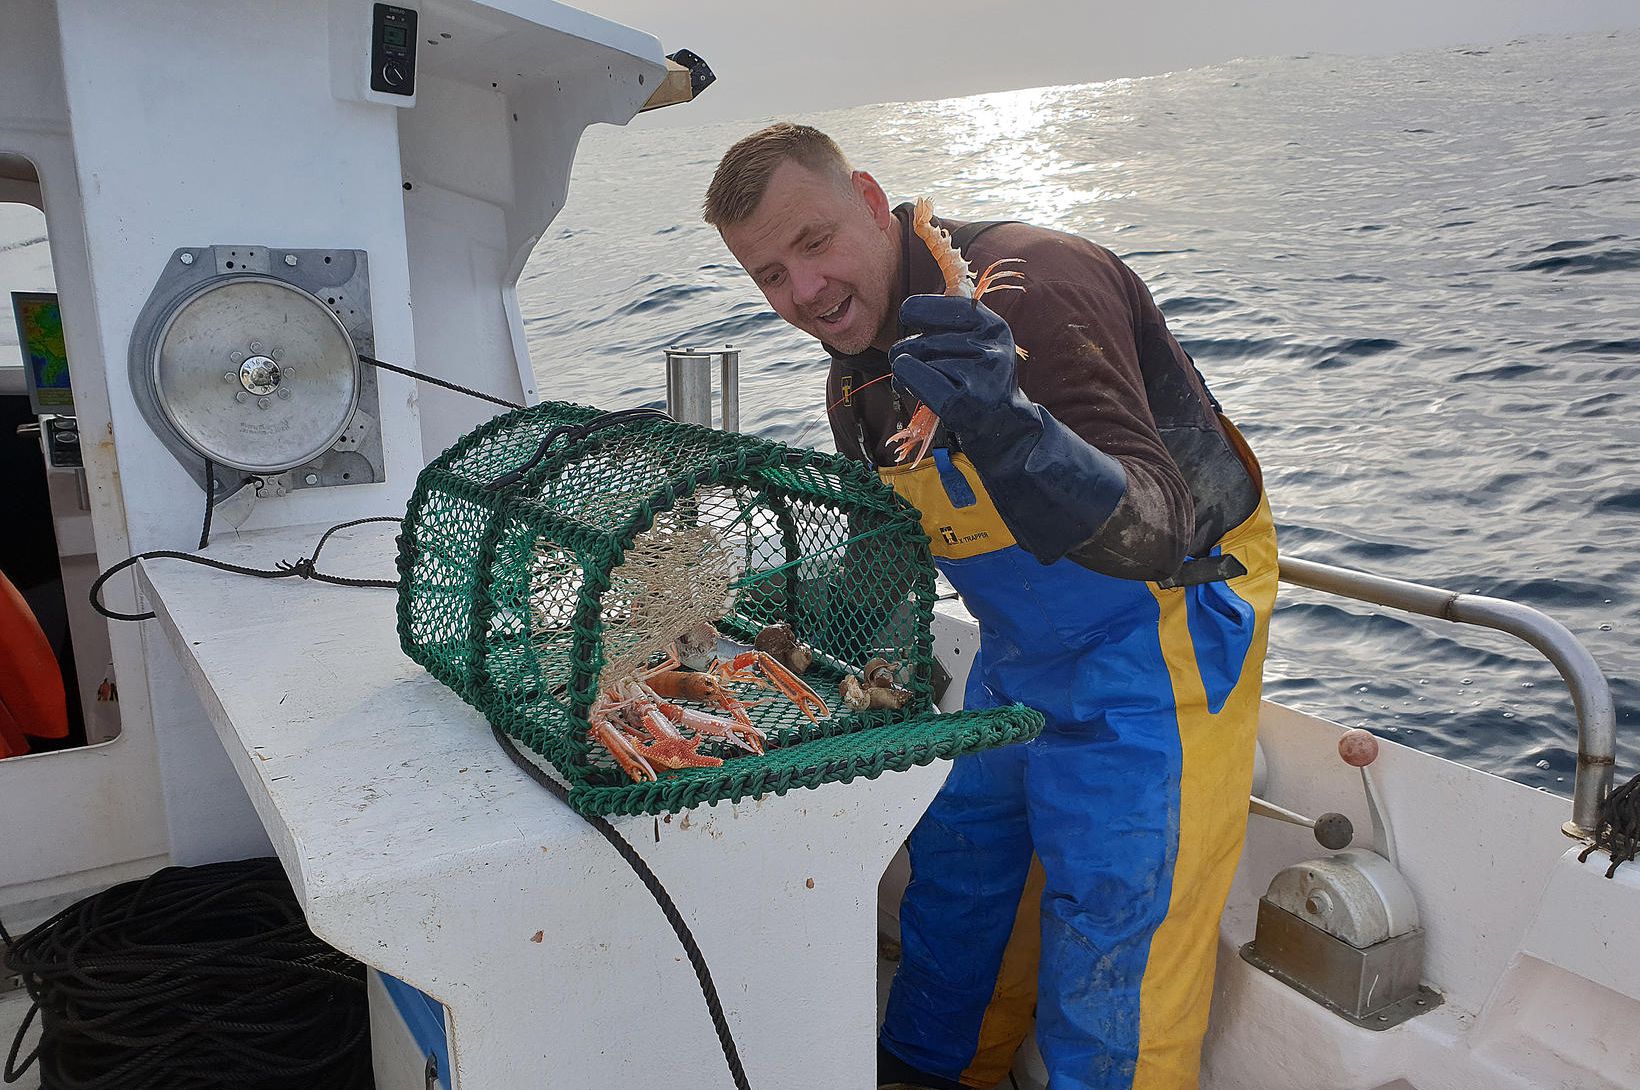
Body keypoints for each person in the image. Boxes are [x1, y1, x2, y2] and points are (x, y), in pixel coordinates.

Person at [704, 123, 1278, 1090]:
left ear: (873, 198)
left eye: (813, 244)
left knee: (1114, 914)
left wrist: (1014, 428)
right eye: (768, 276)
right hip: (1021, 646)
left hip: (1164, 629)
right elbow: (888, 562)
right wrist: (789, 660)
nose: (802, 293)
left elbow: (1158, 526)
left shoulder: (1032, 289)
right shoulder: (857, 376)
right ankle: (932, 1073)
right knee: (960, 864)